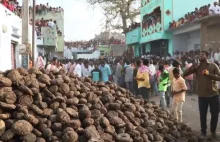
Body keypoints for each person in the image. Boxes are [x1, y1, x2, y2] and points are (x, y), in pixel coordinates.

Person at [183, 51, 220, 139]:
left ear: (207, 56)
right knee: (202, 115)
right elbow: (184, 74)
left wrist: (209, 75)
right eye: (199, 55)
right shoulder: (197, 67)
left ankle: (213, 131)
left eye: (202, 54)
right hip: (202, 96)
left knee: (215, 114)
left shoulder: (213, 65)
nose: (200, 56)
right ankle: (203, 131)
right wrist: (192, 67)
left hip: (213, 94)